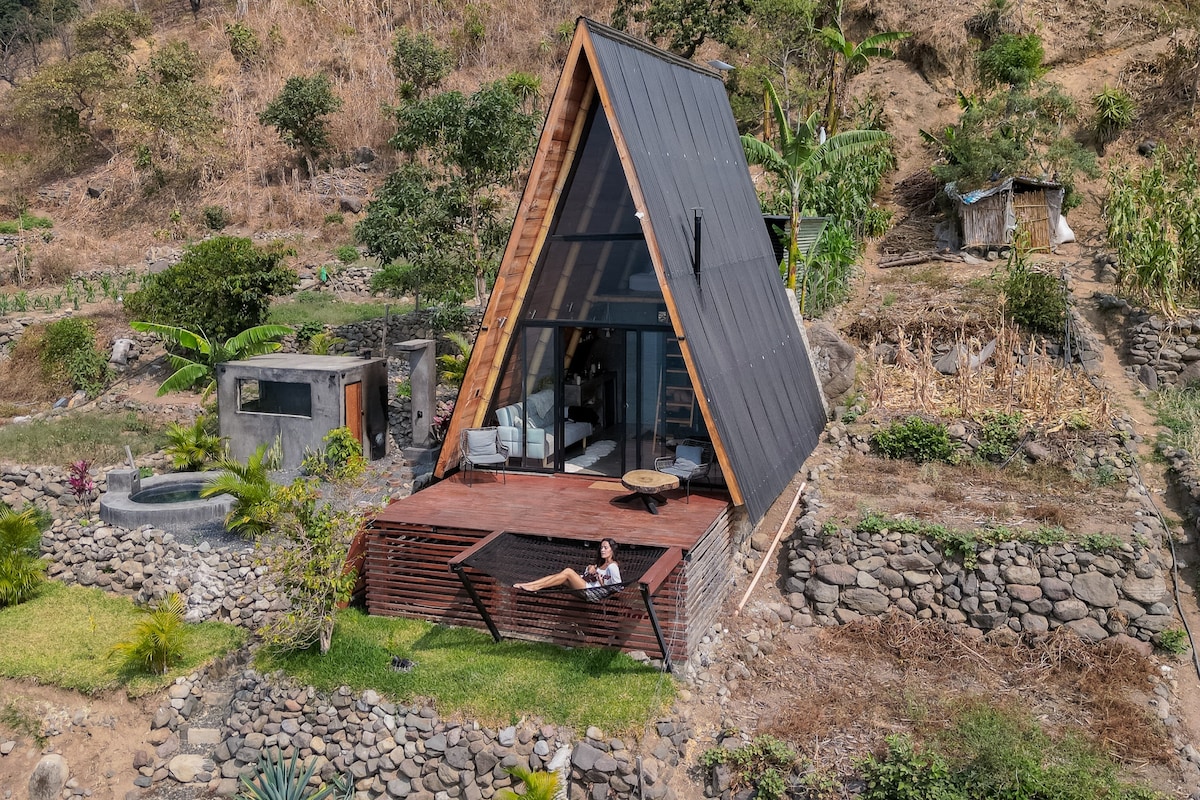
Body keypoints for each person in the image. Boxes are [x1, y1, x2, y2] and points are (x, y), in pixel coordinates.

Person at [514, 538, 621, 600]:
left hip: (592, 592)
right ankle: (529, 585)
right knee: (560, 577)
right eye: (601, 548)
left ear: (612, 550)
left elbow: (618, 587)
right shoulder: (602, 563)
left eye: (605, 548)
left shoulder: (612, 566)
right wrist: (590, 568)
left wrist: (602, 583)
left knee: (568, 571)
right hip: (585, 584)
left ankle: (535, 587)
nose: (602, 550)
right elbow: (588, 574)